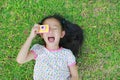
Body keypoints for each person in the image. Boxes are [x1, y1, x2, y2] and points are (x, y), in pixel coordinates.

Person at [16, 14, 83, 80]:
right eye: (46, 29)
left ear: (62, 34)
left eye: (55, 28)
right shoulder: (38, 49)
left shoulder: (67, 54)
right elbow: (20, 60)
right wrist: (31, 37)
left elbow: (75, 76)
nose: (50, 31)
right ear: (42, 34)